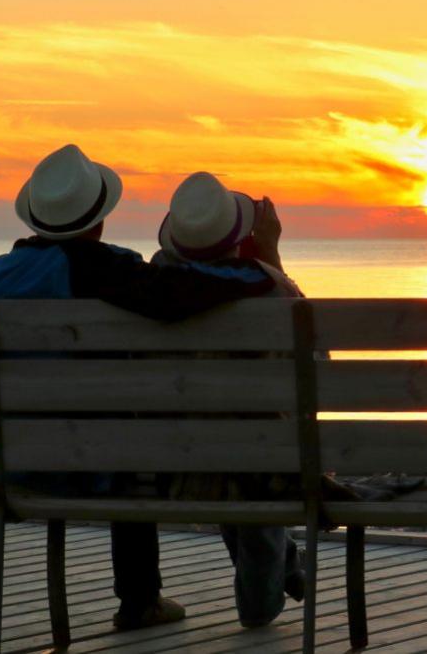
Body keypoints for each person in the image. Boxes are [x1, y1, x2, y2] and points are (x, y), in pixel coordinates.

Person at [0, 145, 280, 632]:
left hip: (2, 462)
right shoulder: (103, 269)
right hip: (90, 465)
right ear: (101, 217)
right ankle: (139, 602)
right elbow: (179, 295)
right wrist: (260, 266)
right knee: (126, 439)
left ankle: (142, 600)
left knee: (116, 432)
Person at [151, 171, 312, 628]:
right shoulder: (271, 290)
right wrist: (271, 256)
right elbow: (314, 366)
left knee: (223, 435)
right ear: (240, 237)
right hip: (260, 467)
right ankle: (266, 594)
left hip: (175, 468)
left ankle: (286, 564)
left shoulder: (148, 294)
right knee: (254, 442)